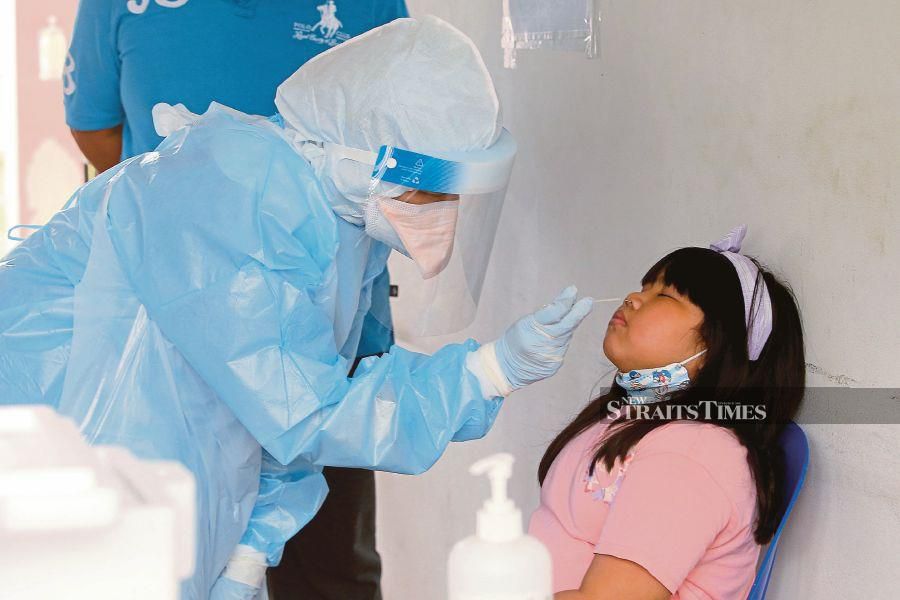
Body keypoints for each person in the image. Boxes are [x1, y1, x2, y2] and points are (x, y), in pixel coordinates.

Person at [1, 17, 593, 600]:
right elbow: (308, 413)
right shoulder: (241, 201)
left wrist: (249, 549)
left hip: (146, 486)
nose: (442, 213)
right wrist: (487, 372)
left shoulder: (336, 220)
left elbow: (279, 403)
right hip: (64, 457)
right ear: (361, 159)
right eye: (432, 193)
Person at [62, 3, 407, 597]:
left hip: (330, 345)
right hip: (172, 355)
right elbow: (96, 126)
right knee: (163, 566)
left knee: (327, 572)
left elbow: (408, 139)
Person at [529, 225, 805, 599]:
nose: (633, 298)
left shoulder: (693, 453)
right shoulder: (632, 420)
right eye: (644, 286)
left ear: (715, 345)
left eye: (665, 295)